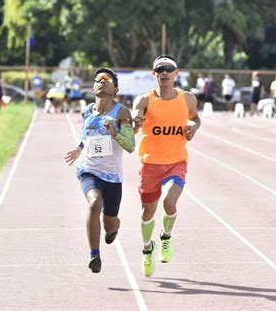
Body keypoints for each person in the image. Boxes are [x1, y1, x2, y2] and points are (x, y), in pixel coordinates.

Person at [132, 54, 200, 277]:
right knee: (147, 211)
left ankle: (166, 237)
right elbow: (134, 123)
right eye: (159, 69)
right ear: (154, 75)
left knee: (170, 201)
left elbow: (196, 118)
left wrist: (193, 127)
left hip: (176, 161)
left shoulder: (187, 99)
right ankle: (146, 248)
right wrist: (135, 122)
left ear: (176, 73)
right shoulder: (144, 100)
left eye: (168, 69)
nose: (164, 73)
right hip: (151, 163)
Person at [64, 68, 135, 273]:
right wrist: (79, 149)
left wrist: (114, 133)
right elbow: (87, 136)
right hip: (89, 170)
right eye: (98, 80)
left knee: (109, 223)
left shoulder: (122, 112)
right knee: (95, 203)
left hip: (112, 177)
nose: (102, 82)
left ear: (116, 89)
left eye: (107, 80)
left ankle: (115, 226)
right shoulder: (86, 110)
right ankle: (95, 255)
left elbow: (130, 146)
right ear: (93, 87)